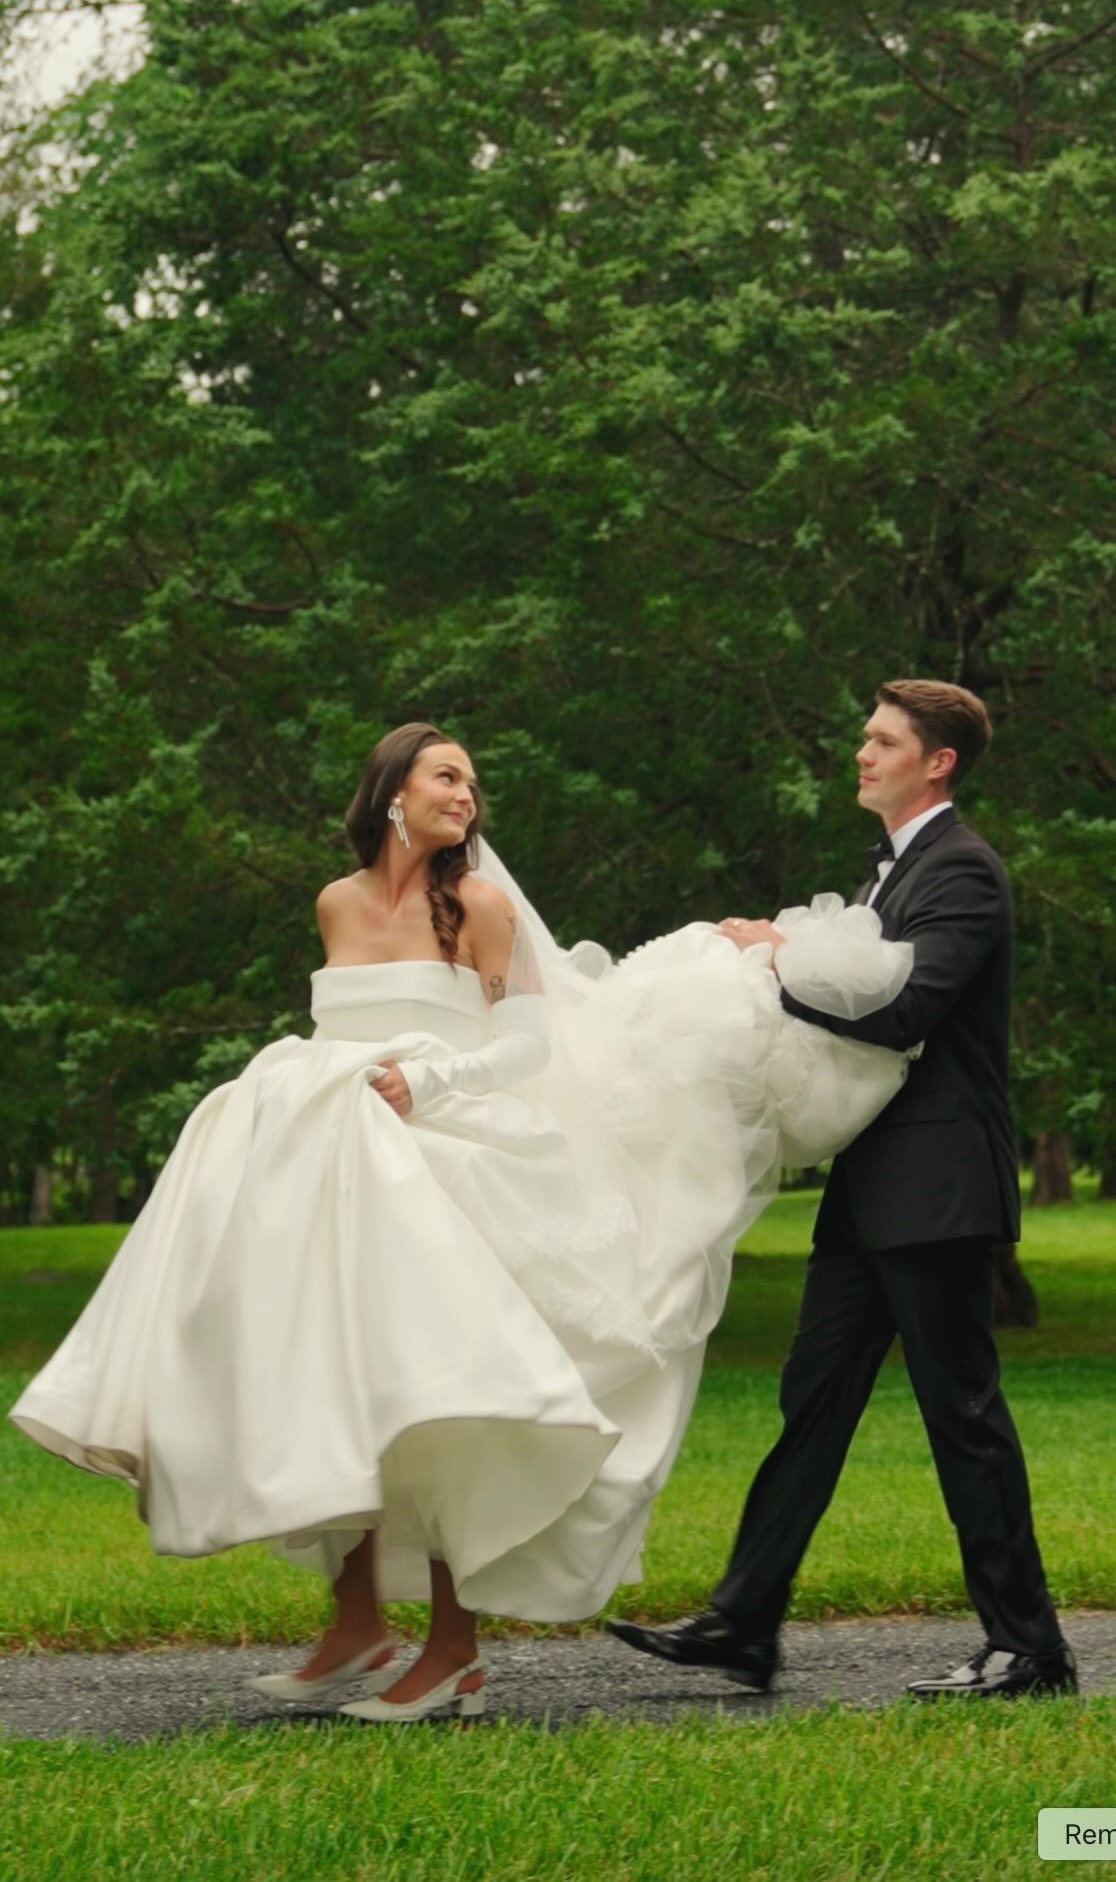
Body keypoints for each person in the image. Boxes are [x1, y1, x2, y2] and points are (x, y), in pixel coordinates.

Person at [11, 721, 919, 1723]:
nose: (466, 794)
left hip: (439, 1149)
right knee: (332, 1375)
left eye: (473, 783)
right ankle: (356, 1620)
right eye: (447, 775)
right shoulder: (336, 902)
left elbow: (526, 1043)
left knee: (443, 1387)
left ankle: (454, 1650)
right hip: (328, 1145)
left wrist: (427, 1079)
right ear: (392, 790)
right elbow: (336, 1029)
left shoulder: (478, 904)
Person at [607, 679, 1076, 1702]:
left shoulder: (964, 871)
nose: (862, 753)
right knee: (810, 1399)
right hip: (873, 1189)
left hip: (939, 1182)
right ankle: (743, 1622)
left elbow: (906, 1008)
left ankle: (1030, 1645)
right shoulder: (888, 874)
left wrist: (773, 962)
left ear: (936, 760)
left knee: (963, 1411)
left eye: (882, 740)